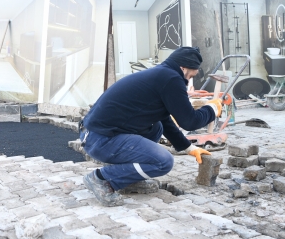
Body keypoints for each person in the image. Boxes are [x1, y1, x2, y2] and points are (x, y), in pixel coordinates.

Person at [79, 46, 222, 206]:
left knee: (156, 128)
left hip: (93, 136)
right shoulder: (171, 78)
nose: (188, 80)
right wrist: (212, 109)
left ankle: (128, 178)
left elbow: (164, 119)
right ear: (182, 67)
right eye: (189, 75)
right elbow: (190, 121)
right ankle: (101, 178)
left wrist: (188, 147)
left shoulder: (161, 74)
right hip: (101, 140)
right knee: (162, 162)